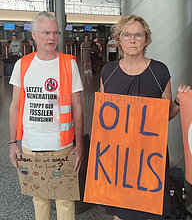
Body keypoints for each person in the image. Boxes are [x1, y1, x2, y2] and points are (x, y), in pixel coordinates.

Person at [100, 14, 191, 220]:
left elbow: (164, 115)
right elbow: (103, 116)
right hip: (118, 156)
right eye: (127, 35)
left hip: (149, 155)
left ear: (146, 39)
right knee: (120, 212)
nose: (133, 39)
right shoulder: (109, 71)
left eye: (138, 35)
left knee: (149, 211)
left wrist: (178, 101)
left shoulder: (159, 71)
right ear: (119, 39)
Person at [9, 12, 84, 220]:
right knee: (39, 198)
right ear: (34, 35)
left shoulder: (69, 64)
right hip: (31, 145)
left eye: (55, 33)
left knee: (65, 201)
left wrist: (80, 145)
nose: (51, 37)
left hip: (63, 147)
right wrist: (12, 142)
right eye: (45, 33)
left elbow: (77, 106)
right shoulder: (22, 65)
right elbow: (14, 106)